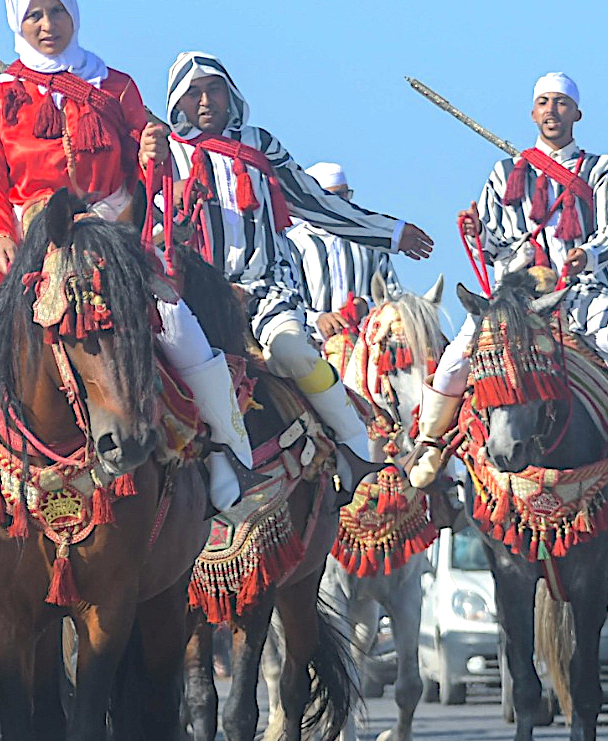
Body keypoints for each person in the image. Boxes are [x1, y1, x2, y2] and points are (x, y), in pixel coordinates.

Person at [0, 0, 250, 513]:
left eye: (56, 10)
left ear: (73, 12)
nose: (46, 24)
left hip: (110, 232)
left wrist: (154, 153)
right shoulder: (0, 96)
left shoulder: (115, 85)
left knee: (179, 323)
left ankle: (225, 449)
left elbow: (149, 159)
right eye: (34, 14)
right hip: (24, 233)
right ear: (18, 20)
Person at [161, 52, 434, 470]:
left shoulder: (260, 144)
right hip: (199, 297)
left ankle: (355, 448)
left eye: (213, 89)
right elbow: (154, 227)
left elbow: (315, 202)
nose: (204, 102)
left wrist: (391, 233)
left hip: (268, 287)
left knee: (295, 356)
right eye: (193, 93)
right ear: (177, 101)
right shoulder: (166, 154)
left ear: (229, 93)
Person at [409, 72, 608, 488]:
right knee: (456, 359)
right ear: (533, 113)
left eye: (561, 103)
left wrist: (584, 255)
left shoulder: (602, 169)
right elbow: (496, 243)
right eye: (544, 103)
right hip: (515, 297)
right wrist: (478, 234)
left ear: (577, 113)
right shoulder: (504, 172)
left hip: (581, 290)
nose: (552, 111)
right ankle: (430, 443)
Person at [287, 162, 402, 341]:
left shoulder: (368, 240)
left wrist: (366, 304)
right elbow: (286, 301)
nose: (342, 203)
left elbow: (394, 295)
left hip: (367, 345)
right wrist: (318, 320)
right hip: (312, 346)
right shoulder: (293, 244)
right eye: (334, 196)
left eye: (345, 195)